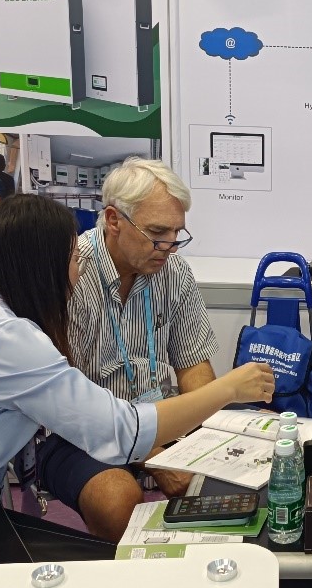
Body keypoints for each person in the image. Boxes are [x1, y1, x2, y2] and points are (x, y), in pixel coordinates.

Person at [0, 195, 273, 566]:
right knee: (105, 576)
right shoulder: (4, 338)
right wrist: (229, 389)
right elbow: (121, 430)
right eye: (74, 258)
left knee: (100, 567)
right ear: (42, 264)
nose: (79, 269)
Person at [37, 157, 220, 541]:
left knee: (232, 470)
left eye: (177, 233)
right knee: (118, 501)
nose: (169, 247)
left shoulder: (174, 272)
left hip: (158, 417)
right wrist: (153, 456)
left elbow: (194, 367)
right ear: (113, 220)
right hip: (79, 431)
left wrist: (212, 434)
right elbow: (69, 406)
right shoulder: (72, 273)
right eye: (157, 232)